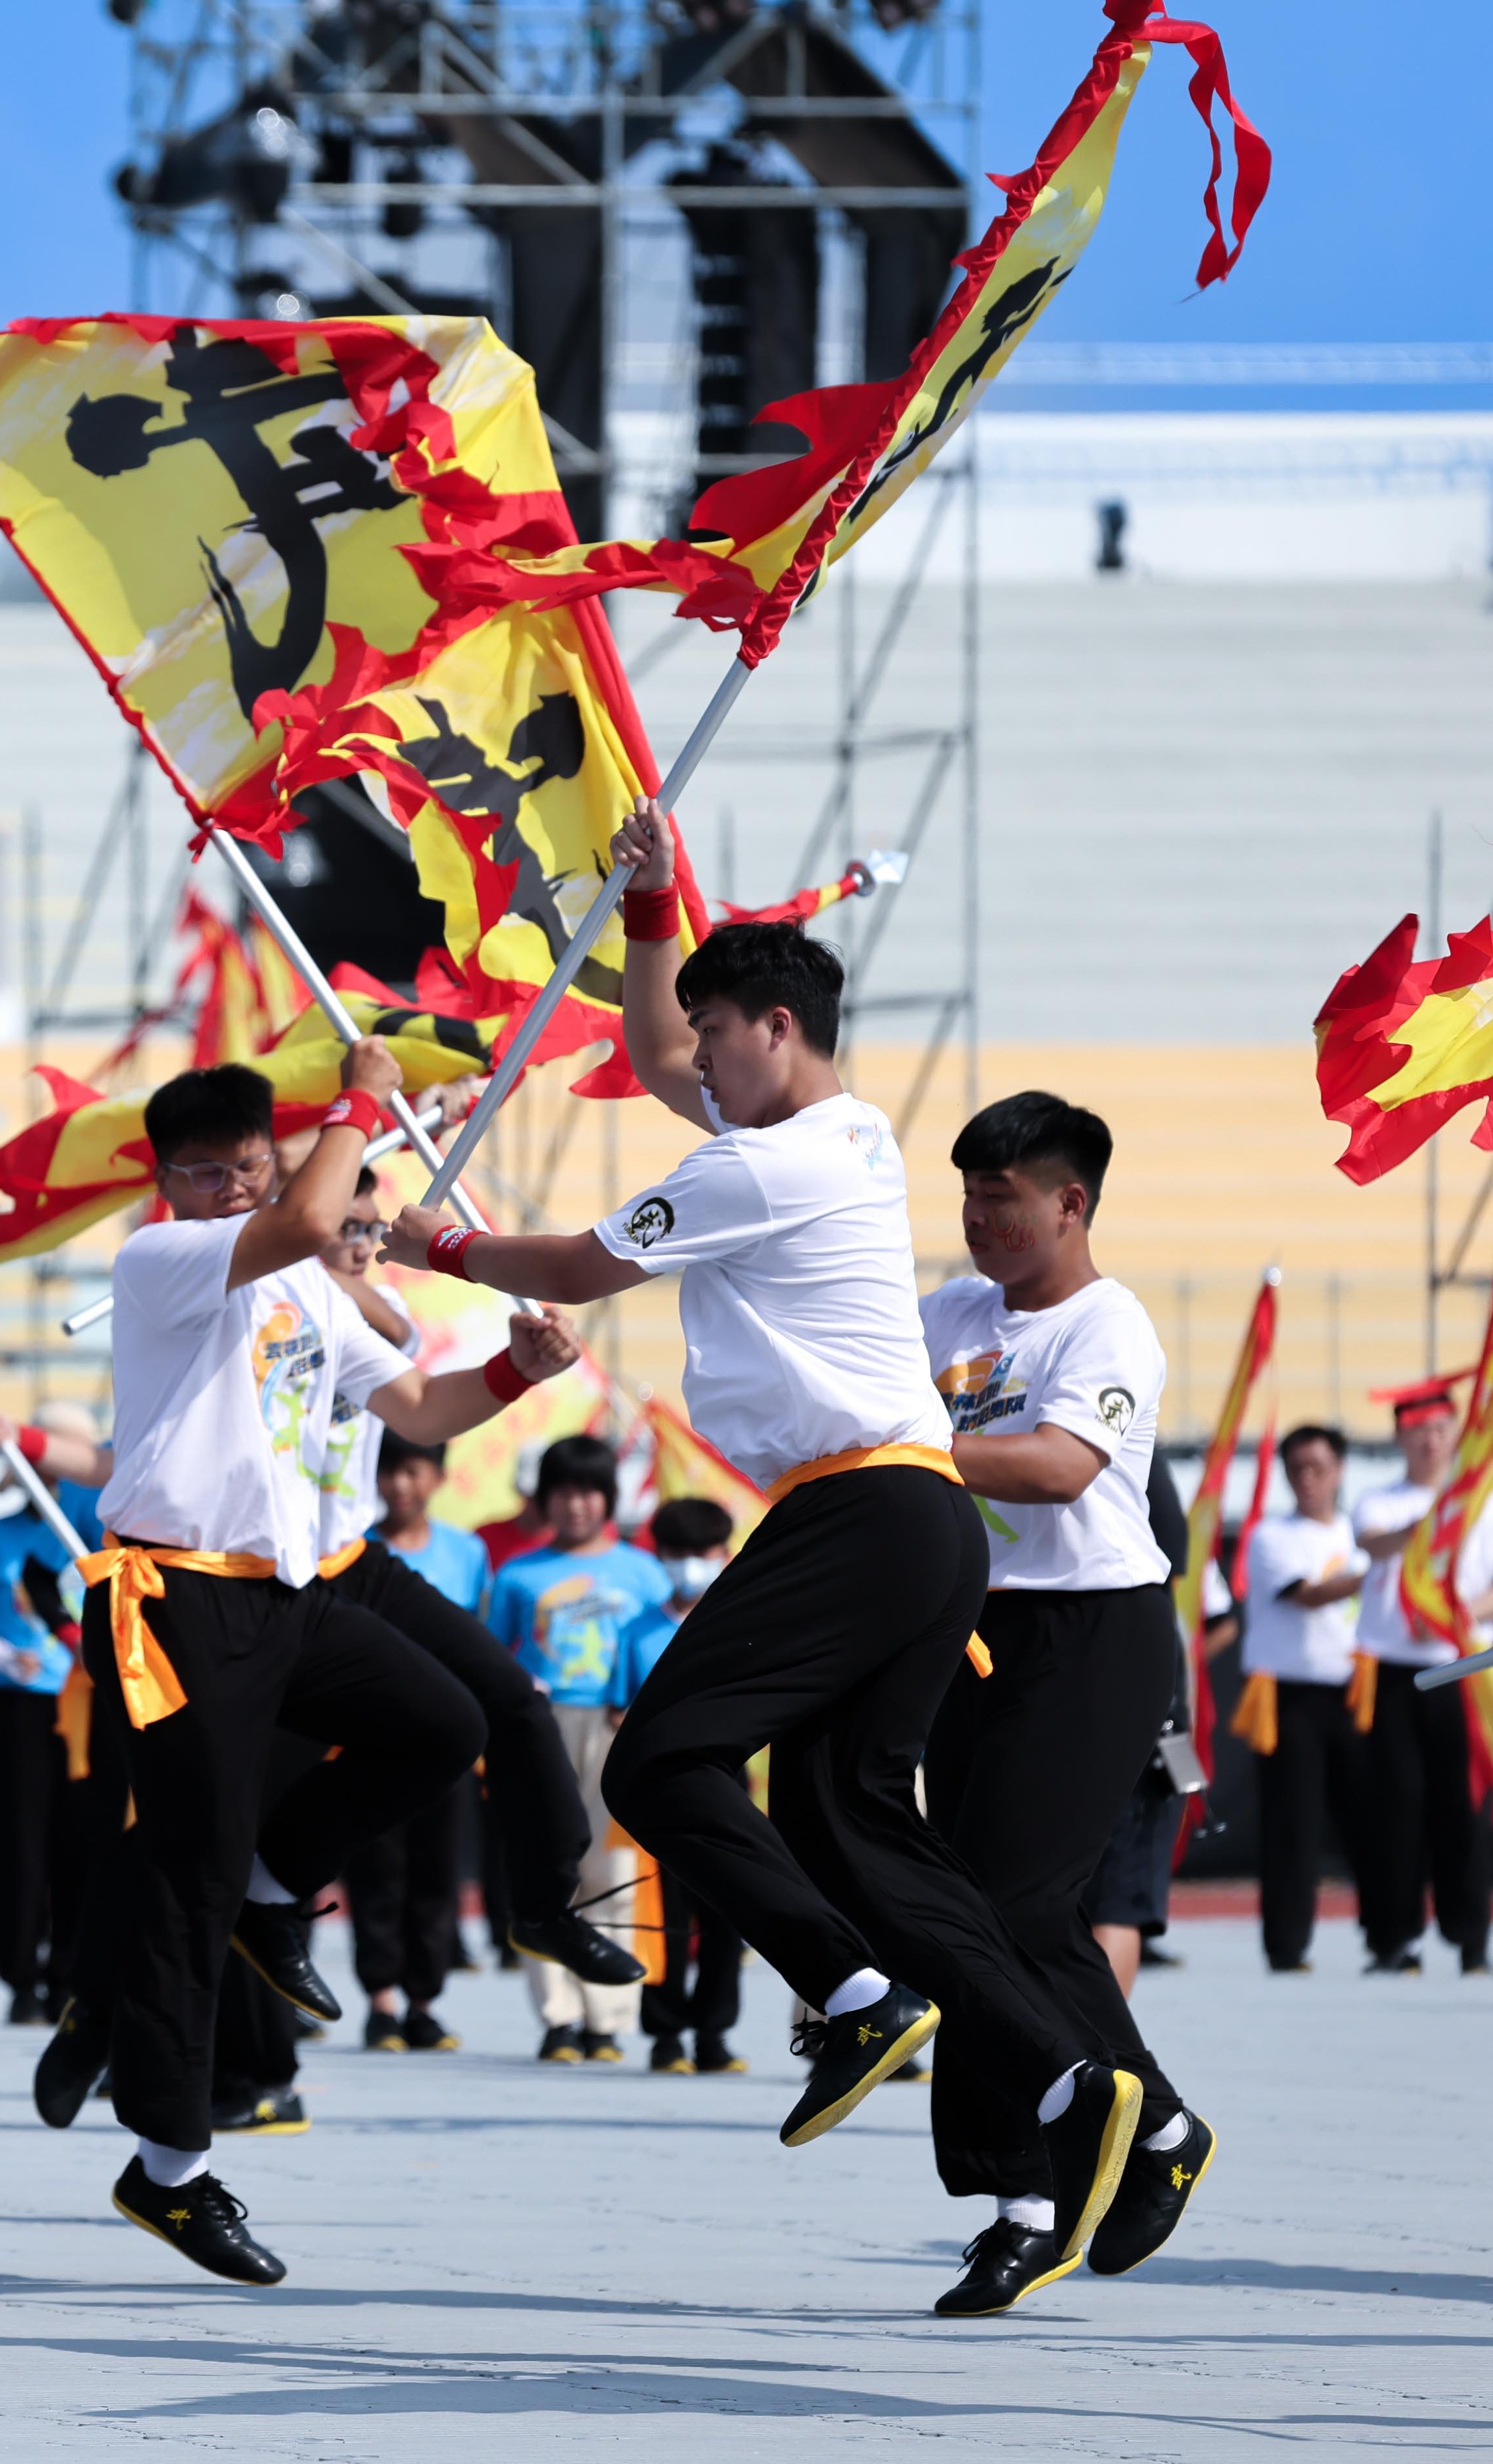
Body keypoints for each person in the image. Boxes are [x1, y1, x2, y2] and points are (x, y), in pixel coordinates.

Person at [391, 809, 1144, 2286]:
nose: (692, 1060)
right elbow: (664, 1053)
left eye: (720, 1032)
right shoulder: (828, 1128)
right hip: (907, 1522)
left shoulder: (763, 1168)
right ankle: (1068, 2084)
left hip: (863, 1507)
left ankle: (856, 1999)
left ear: (778, 1027)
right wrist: (658, 906)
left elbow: (586, 1268)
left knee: (661, 1763)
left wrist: (446, 1251)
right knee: (859, 1827)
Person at [44, 1046, 575, 2285]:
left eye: (251, 1165)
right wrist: (356, 1093)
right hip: (174, 1599)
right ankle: (170, 2169)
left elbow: (426, 1415)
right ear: (166, 1183)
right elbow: (300, 1219)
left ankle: (282, 1890)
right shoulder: (165, 1259)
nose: (235, 1187)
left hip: (286, 1595)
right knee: (188, 1875)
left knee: (442, 1722)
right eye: (207, 1172)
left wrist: (517, 1370)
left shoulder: (313, 1292)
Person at [914, 1088, 1208, 2312]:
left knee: (1011, 1901)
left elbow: (1055, 1466)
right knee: (951, 1915)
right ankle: (1021, 2203)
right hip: (967, 1632)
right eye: (970, 1198)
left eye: (1005, 1199)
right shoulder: (946, 1314)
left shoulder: (1110, 1326)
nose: (982, 1221)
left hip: (1095, 1630)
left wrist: (905, 1441)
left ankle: (1153, 2128)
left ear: (1070, 1202)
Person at [478, 1436, 669, 2064]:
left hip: (620, 1728)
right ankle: (557, 2018)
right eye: (562, 1492)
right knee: (544, 1863)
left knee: (613, 1870)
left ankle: (607, 2019)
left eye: (589, 1491)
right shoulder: (517, 1574)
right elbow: (490, 1656)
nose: (577, 1505)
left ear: (609, 1498)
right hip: (542, 1727)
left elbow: (665, 1651)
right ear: (544, 1500)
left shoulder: (644, 1572)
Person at [0, 1401, 97, 2025]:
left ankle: (72, 1971)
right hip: (20, 1708)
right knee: (18, 1845)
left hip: (90, 1705)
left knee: (81, 1844)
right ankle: (20, 1973)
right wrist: (5, 1658)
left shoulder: (98, 1539)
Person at [340, 1438, 480, 2055]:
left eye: (412, 1470)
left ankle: (425, 2002)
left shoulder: (467, 1551)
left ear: (438, 1476)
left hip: (447, 1737)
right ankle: (380, 2003)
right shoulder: (354, 1550)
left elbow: (481, 1639)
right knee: (376, 1872)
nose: (400, 1484)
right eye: (388, 1471)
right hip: (371, 1733)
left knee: (436, 1871)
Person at [1347, 1379, 1491, 1975]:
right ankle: (1394, 1938)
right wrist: (1440, 1514)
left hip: (1461, 1664)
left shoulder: (1482, 1505)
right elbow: (1375, 1544)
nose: (1430, 1444)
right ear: (1401, 1438)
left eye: (1439, 1432)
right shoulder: (1382, 1501)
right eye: (1418, 1433)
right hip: (1396, 1670)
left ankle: (1469, 1935)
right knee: (1395, 1806)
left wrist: (1458, 1613)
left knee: (1466, 1806)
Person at [1236, 1424, 1383, 1977]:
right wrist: (1383, 1562)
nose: (1308, 1480)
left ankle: (1388, 1940)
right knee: (1291, 1826)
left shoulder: (1354, 1534)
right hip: (1287, 1697)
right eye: (1297, 1469)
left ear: (1340, 1470)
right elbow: (1311, 1594)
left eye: (1318, 1467)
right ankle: (1287, 1946)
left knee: (1371, 1820)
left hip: (1354, 1692)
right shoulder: (1272, 1537)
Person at [622, 1498, 745, 2072]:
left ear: (725, 1555)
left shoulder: (741, 1624)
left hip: (726, 1776)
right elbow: (617, 1709)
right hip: (658, 1783)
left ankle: (714, 2034)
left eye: (703, 1553)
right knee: (664, 1914)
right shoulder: (637, 1631)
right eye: (677, 1554)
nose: (691, 1565)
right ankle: (666, 2033)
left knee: (730, 1913)